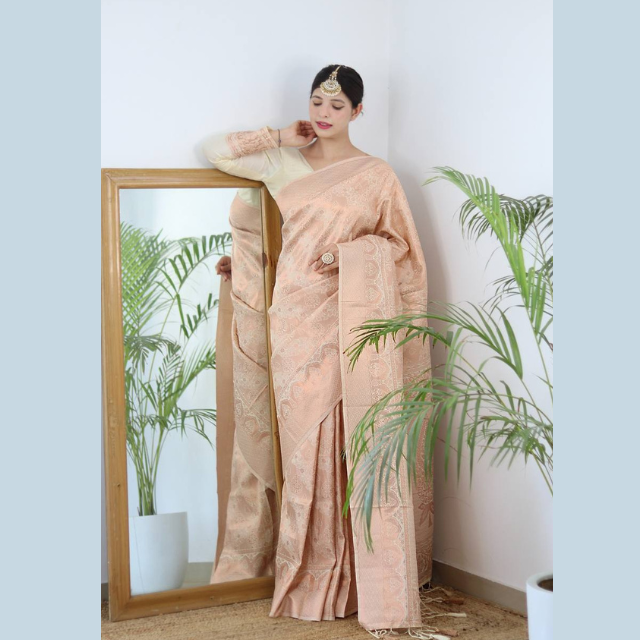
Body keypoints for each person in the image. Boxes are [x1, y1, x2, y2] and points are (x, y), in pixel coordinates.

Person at [203, 64, 435, 635]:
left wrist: (350, 256)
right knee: (305, 440)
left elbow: (402, 248)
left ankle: (357, 577)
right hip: (295, 317)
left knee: (352, 432)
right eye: (316, 102)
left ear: (358, 111)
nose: (324, 113)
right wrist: (281, 136)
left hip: (351, 314)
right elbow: (215, 150)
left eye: (336, 105)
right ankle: (309, 573)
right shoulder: (283, 163)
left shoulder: (377, 176)